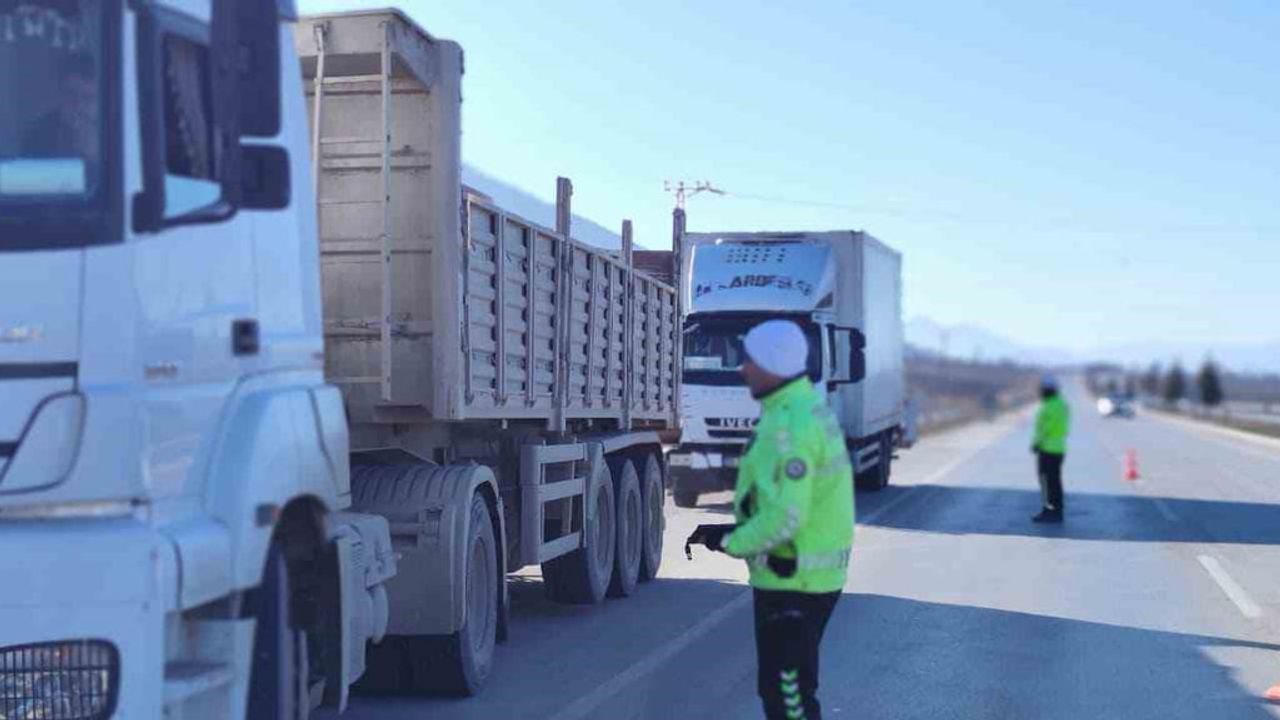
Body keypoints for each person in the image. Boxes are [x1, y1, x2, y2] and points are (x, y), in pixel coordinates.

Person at [700, 319, 854, 720]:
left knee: (789, 699)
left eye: (750, 360)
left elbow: (787, 516)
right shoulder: (799, 409)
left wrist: (733, 542)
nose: (743, 369)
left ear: (773, 363)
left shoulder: (790, 424)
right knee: (784, 694)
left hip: (794, 581)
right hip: (798, 576)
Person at [22, 52, 99, 163]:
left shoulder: (114, 134)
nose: (79, 106)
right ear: (59, 95)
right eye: (71, 95)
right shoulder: (36, 137)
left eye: (88, 97)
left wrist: (94, 156)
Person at [1031, 375, 1071, 523]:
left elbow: (1045, 428)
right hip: (1059, 448)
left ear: (1047, 390)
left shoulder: (1049, 406)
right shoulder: (1062, 404)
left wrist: (1036, 443)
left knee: (1046, 482)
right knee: (1055, 481)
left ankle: (1049, 511)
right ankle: (1057, 511)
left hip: (1047, 448)